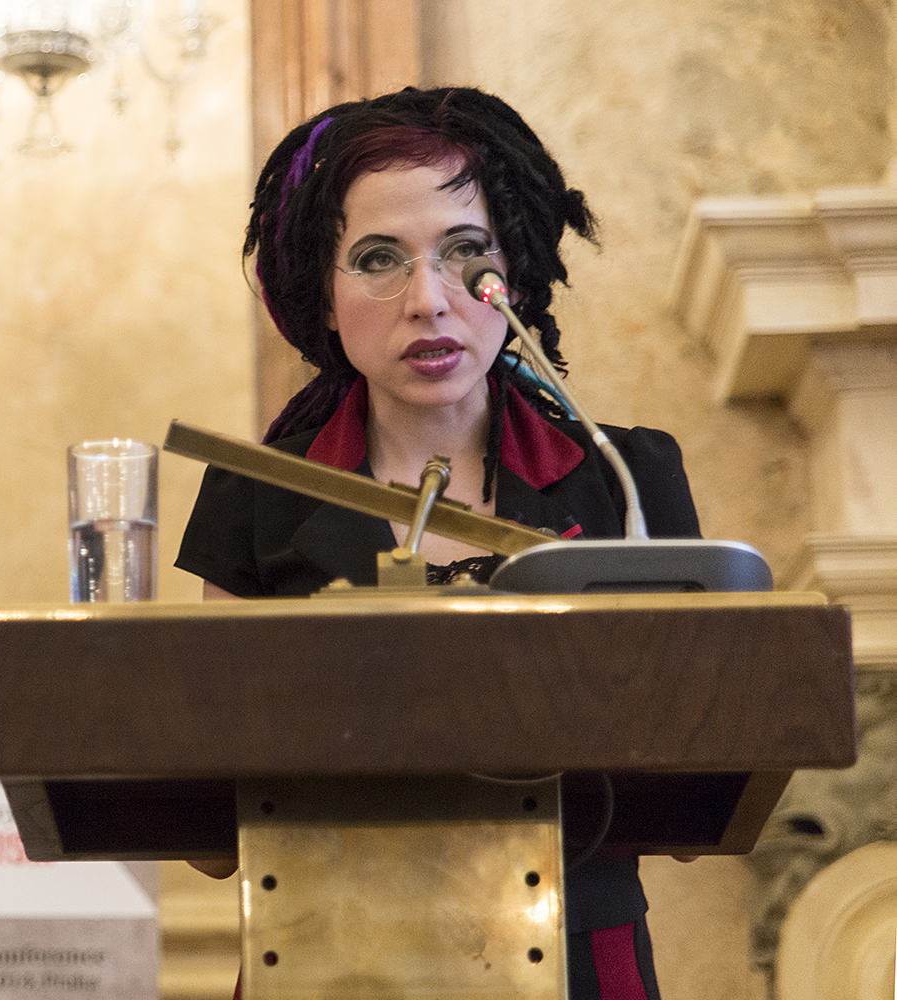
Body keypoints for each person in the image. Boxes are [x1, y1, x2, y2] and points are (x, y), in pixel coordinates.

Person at [175, 87, 700, 1000]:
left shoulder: (627, 481)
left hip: (581, 952)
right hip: (325, 955)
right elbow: (212, 840)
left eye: (466, 254)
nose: (429, 300)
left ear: (515, 275)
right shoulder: (254, 494)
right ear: (322, 294)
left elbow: (697, 787)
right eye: (378, 259)